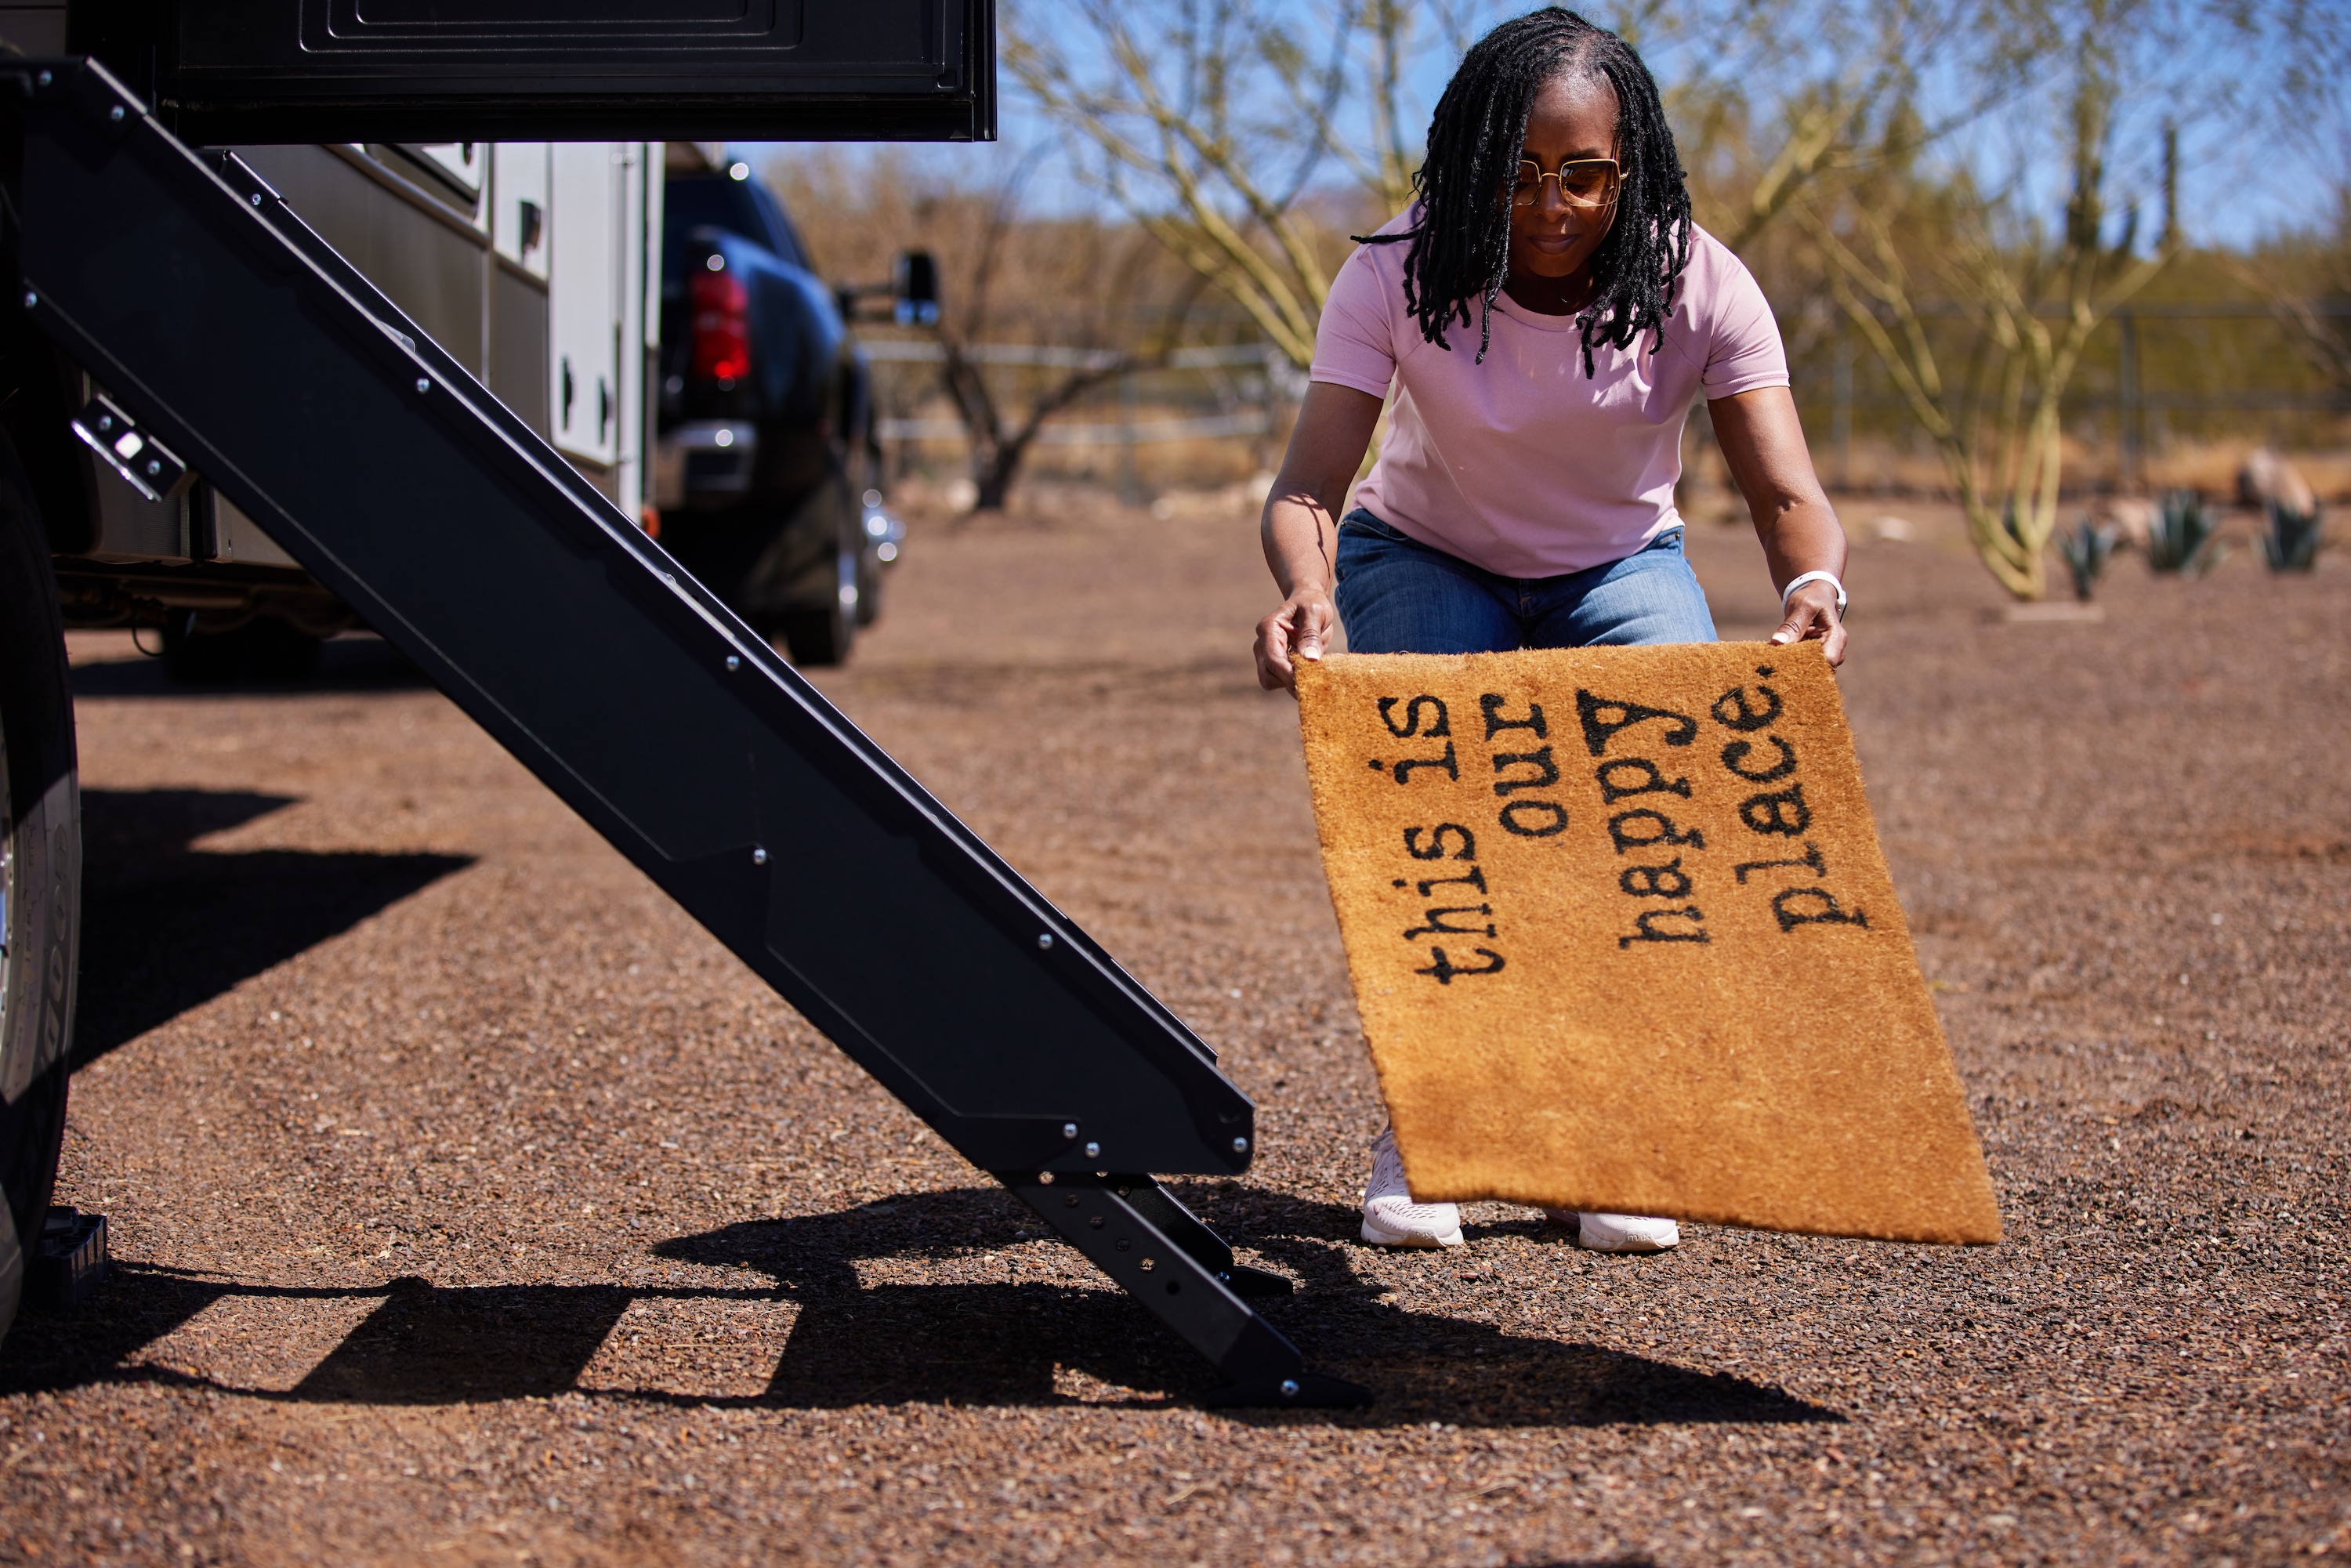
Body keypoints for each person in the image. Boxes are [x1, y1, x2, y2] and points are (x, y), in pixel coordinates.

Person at [1252, 8, 1850, 1255]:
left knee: (1642, 816)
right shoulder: (1397, 273)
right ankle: (1435, 1126)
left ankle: (1602, 1131)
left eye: (1585, 173)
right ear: (1474, 164)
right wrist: (1309, 590)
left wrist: (1815, 588)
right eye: (1519, 172)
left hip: (1617, 566)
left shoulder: (1698, 281)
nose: (1553, 203)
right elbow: (1308, 489)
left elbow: (1785, 493)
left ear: (1631, 171)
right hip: (1425, 552)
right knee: (1440, 820)